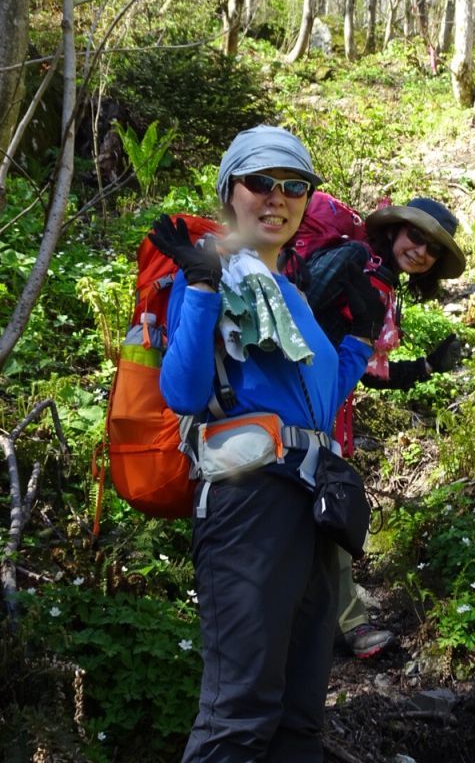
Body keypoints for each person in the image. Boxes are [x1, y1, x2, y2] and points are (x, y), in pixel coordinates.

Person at [151, 125, 385, 762]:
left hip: (308, 502)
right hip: (246, 501)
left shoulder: (290, 295)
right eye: (260, 182)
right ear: (232, 191)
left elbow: (313, 404)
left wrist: (359, 341)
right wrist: (199, 287)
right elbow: (183, 389)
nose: (276, 197)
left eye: (294, 186)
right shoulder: (213, 275)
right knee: (241, 709)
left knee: (299, 716)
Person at [323, 197, 467, 659]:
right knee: (333, 512)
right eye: (416, 237)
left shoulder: (382, 278)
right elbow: (321, 335)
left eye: (432, 249)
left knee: (324, 513)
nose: (421, 251)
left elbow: (363, 368)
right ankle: (348, 627)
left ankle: (323, 624)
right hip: (306, 410)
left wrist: (424, 367)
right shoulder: (363, 264)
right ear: (395, 231)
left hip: (324, 409)